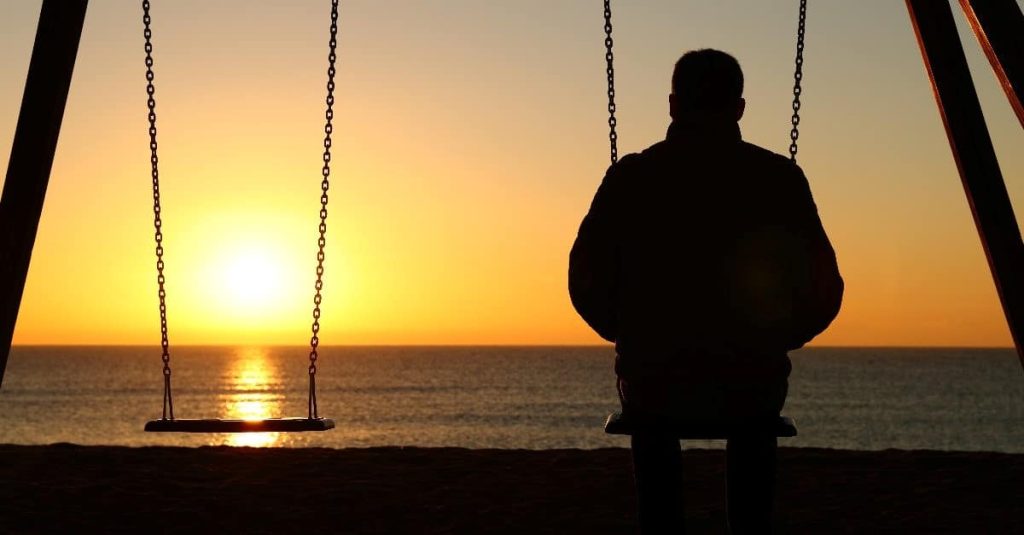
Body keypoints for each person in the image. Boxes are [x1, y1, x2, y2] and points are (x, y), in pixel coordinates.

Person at [568, 49, 843, 534]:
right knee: (753, 412)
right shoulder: (778, 178)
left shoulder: (631, 176)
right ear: (739, 108)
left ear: (673, 106)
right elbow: (826, 289)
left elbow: (583, 279)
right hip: (751, 380)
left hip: (654, 377)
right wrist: (778, 335)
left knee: (652, 405)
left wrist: (626, 331)